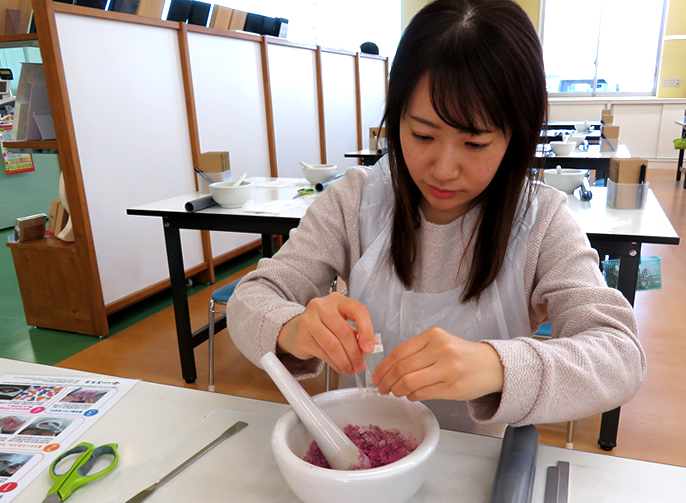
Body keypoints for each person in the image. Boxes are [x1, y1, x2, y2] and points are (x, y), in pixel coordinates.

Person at [228, 0, 644, 432]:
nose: (444, 169)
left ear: (514, 137)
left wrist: (495, 365)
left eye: (475, 143)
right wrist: (292, 328)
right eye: (423, 135)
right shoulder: (355, 200)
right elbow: (251, 297)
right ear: (396, 121)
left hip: (479, 466)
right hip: (373, 450)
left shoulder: (541, 221)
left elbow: (620, 355)